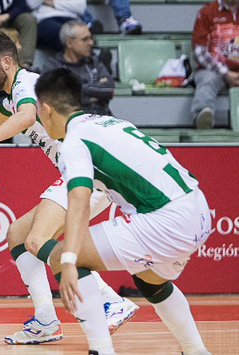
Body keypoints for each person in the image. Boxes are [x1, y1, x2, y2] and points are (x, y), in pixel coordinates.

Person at [0, 30, 138, 344]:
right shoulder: (17, 92)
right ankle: (46, 319)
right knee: (18, 236)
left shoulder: (26, 85)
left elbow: (26, 116)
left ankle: (108, 300)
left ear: (6, 61)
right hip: (82, 172)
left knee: (37, 239)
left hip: (90, 172)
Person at [36, 68, 212, 355]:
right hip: (199, 209)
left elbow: (79, 200)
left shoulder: (73, 141)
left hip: (167, 219)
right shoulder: (109, 122)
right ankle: (196, 351)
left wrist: (68, 260)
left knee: (63, 255)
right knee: (149, 280)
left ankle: (101, 350)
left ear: (46, 109)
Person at [41, 20, 114, 115]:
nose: (91, 43)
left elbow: (109, 90)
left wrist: (74, 88)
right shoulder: (53, 67)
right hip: (71, 120)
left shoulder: (94, 62)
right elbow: (58, 100)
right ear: (69, 43)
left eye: (91, 38)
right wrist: (94, 90)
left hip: (102, 117)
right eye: (85, 39)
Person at [190, 0, 239, 129]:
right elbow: (199, 51)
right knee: (207, 80)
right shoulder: (207, 12)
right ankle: (202, 114)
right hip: (214, 70)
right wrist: (225, 72)